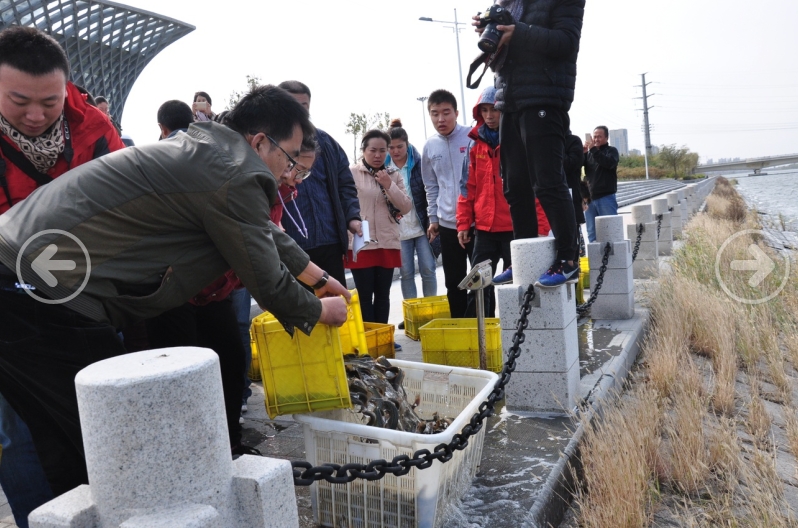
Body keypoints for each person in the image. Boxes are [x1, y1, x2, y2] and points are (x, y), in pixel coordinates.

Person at [0, 84, 350, 502]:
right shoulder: (232, 172)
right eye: (291, 161)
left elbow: (264, 233)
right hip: (38, 291)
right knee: (100, 440)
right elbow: (268, 282)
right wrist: (320, 311)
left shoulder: (207, 149)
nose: (290, 176)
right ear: (260, 142)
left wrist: (318, 278)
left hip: (27, 277)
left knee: (65, 435)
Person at [0, 26, 125, 527]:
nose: (34, 115)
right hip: (7, 317)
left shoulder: (94, 129)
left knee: (95, 420)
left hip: (81, 300)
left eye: (49, 103)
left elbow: (129, 210)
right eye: (17, 101)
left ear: (66, 89)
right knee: (16, 434)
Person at [472, 0, 585, 287]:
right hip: (509, 99)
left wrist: (517, 32)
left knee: (547, 182)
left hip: (545, 96)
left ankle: (569, 260)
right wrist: (492, 30)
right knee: (515, 186)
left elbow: (566, 42)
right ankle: (523, 256)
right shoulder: (509, 3)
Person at [277, 81, 362, 286]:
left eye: (303, 106)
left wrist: (352, 217)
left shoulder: (326, 142)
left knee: (336, 305)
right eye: (292, 104)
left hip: (329, 240)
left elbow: (345, 185)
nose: (298, 111)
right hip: (290, 245)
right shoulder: (270, 145)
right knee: (299, 311)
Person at [346, 129, 412, 328]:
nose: (378, 155)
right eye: (373, 150)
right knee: (364, 296)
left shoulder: (394, 174)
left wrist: (388, 184)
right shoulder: (351, 173)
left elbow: (406, 206)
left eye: (383, 151)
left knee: (383, 295)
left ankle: (384, 337)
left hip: (387, 242)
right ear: (363, 150)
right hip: (361, 242)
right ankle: (368, 339)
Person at [456, 86, 513, 317]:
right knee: (478, 286)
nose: (489, 116)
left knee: (514, 288)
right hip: (484, 229)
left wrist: (539, 229)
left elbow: (533, 190)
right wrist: (463, 224)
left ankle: (515, 334)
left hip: (513, 229)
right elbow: (467, 187)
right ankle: (476, 338)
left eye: (495, 110)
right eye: (485, 111)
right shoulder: (474, 144)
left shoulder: (517, 140)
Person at [421, 89, 473, 317]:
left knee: (483, 279)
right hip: (447, 224)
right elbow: (431, 187)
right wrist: (433, 219)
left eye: (446, 113)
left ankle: (486, 325)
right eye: (434, 114)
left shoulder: (473, 136)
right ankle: (460, 326)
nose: (440, 119)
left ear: (456, 113)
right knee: (454, 280)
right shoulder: (430, 147)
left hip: (476, 222)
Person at [386, 119, 439, 314]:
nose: (395, 151)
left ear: (407, 144)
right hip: (399, 230)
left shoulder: (418, 162)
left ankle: (431, 311)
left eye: (400, 146)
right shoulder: (383, 168)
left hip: (421, 225)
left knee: (428, 269)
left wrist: (434, 219)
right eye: (391, 147)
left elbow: (429, 190)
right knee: (405, 273)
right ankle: (413, 314)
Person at [583, 125, 619, 242]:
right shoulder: (589, 154)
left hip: (606, 197)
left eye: (599, 136)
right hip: (590, 199)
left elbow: (608, 163)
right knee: (592, 233)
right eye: (594, 137)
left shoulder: (612, 151)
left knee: (611, 232)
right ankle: (595, 259)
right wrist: (583, 154)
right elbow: (581, 171)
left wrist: (593, 150)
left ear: (606, 138)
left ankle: (614, 259)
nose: (596, 139)